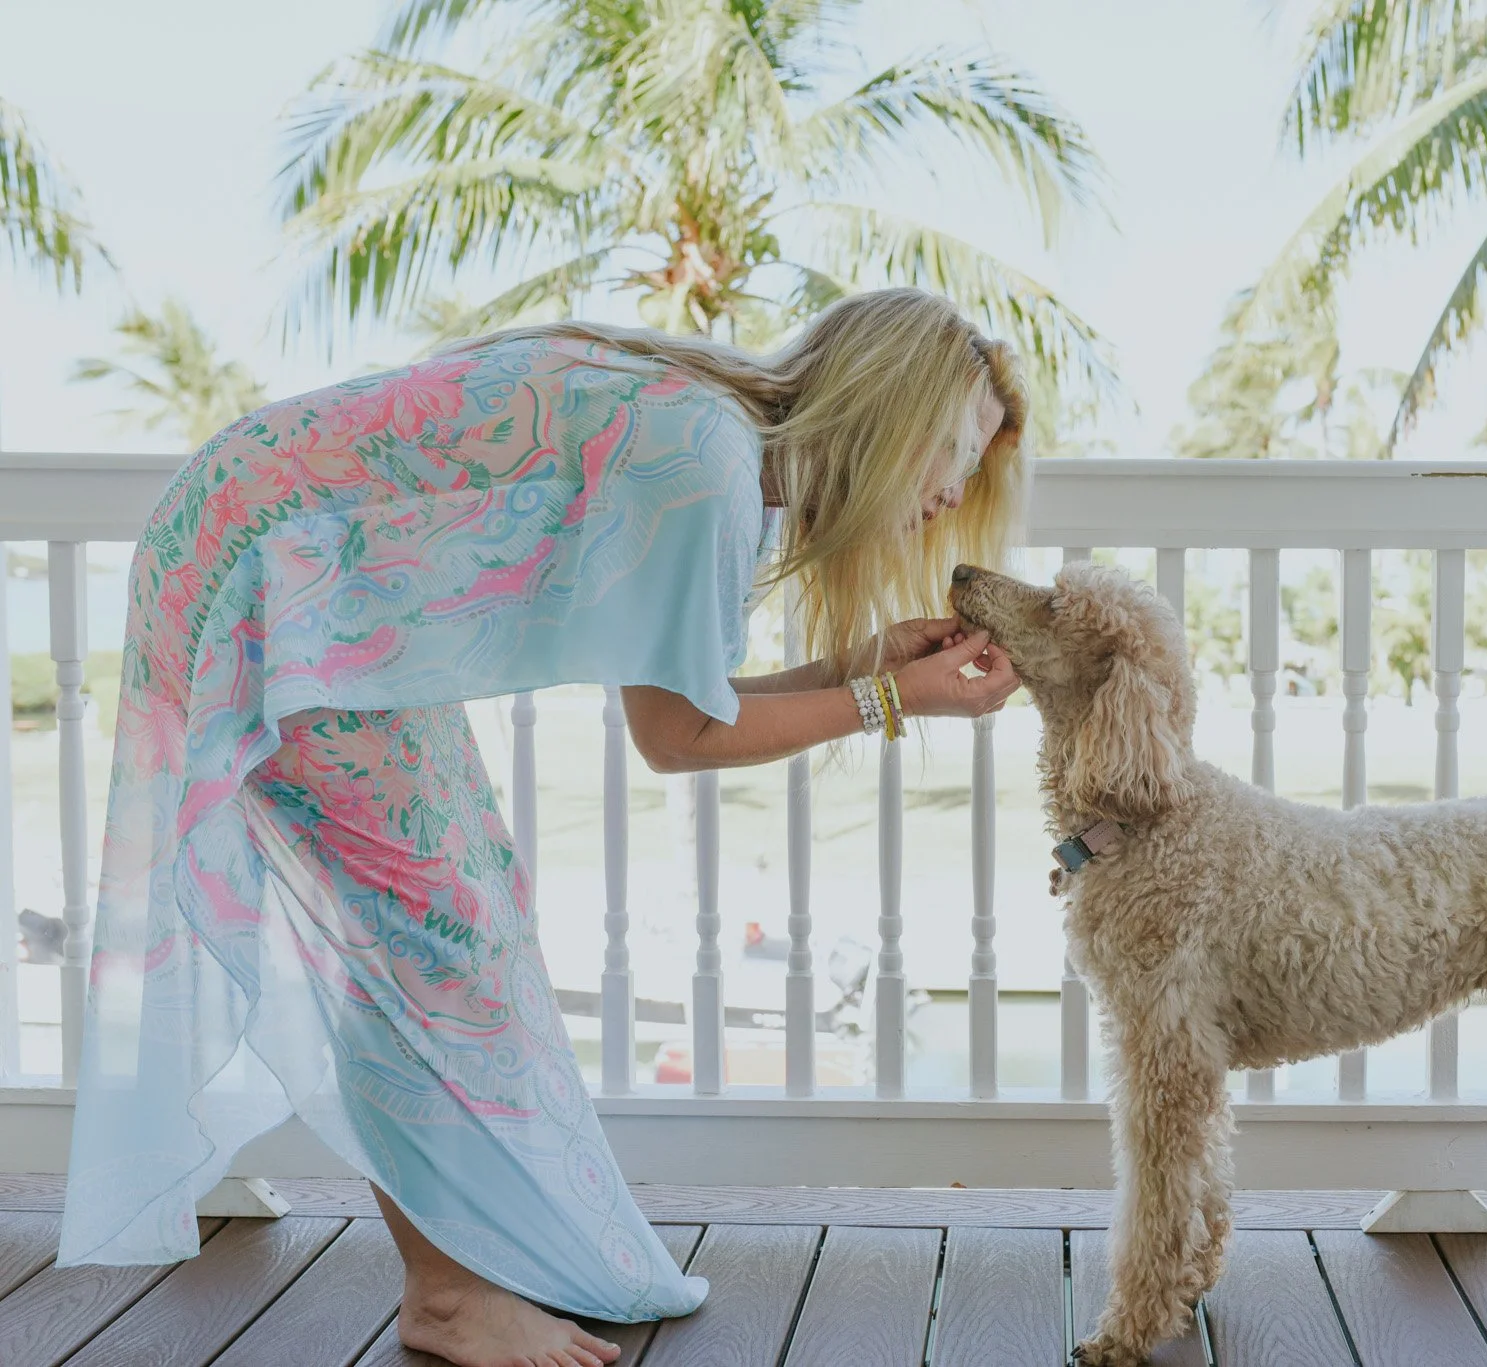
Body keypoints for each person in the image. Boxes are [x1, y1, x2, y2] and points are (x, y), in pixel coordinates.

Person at [58, 289, 1027, 1367]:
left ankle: (464, 1258)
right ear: (883, 410)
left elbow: (683, 694)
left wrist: (868, 667)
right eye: (949, 450)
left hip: (304, 572)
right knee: (431, 924)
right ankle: (444, 1292)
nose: (949, 492)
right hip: (270, 574)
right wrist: (898, 700)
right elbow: (681, 735)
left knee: (469, 902)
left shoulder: (717, 440)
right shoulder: (704, 463)